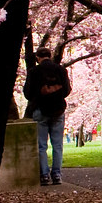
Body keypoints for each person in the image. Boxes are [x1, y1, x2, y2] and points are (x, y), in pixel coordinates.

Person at [23, 47, 72, 186]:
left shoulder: (34, 72)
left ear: (37, 58)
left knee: (41, 145)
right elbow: (67, 90)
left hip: (40, 110)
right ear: (50, 56)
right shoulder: (61, 70)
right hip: (58, 110)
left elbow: (28, 93)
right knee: (57, 144)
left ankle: (44, 175)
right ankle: (56, 174)